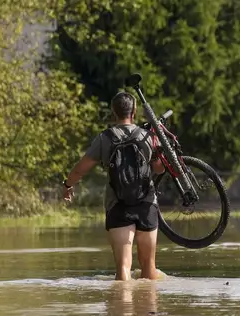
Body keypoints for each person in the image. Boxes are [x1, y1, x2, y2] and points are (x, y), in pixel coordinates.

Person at [62, 91, 166, 281]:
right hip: (146, 204)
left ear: (113, 112)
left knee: (123, 268)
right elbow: (159, 169)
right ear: (134, 111)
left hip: (117, 206)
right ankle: (149, 310)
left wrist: (68, 185)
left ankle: (122, 309)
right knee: (149, 267)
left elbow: (80, 169)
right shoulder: (147, 136)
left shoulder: (105, 138)